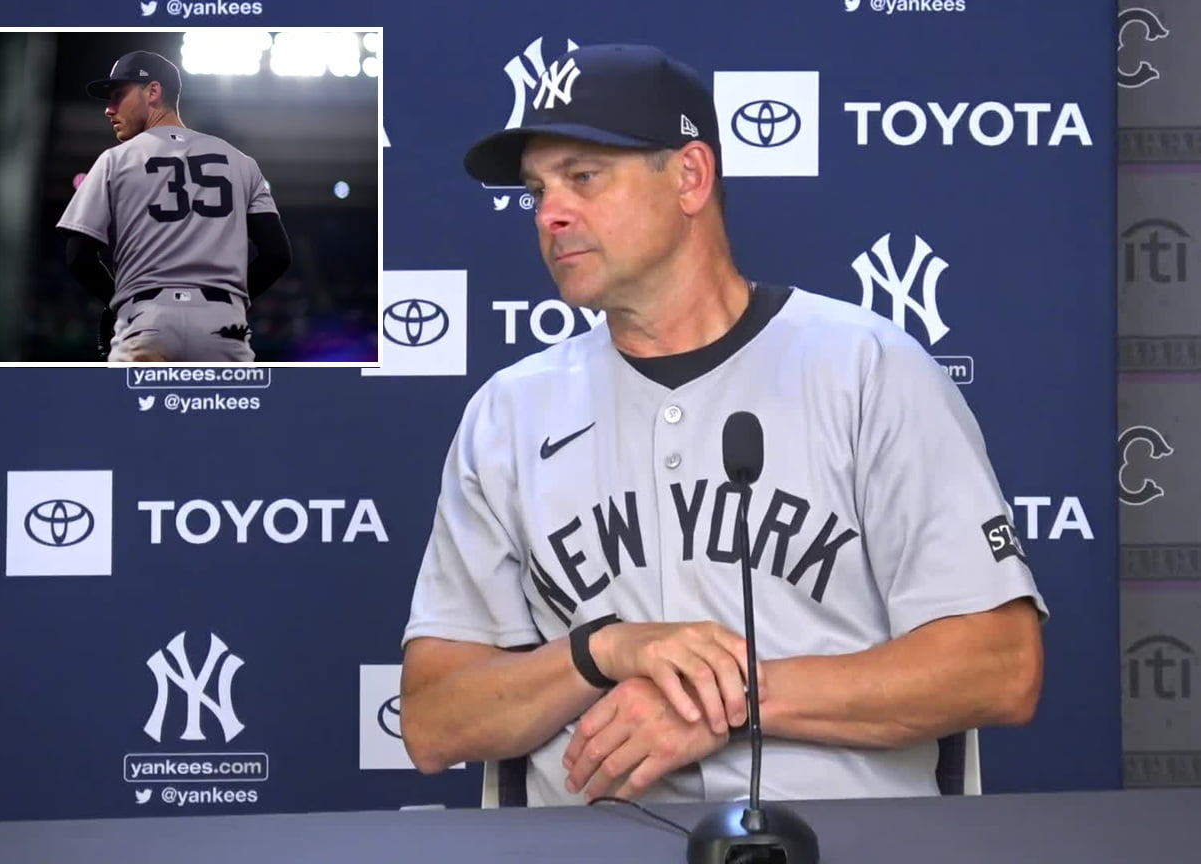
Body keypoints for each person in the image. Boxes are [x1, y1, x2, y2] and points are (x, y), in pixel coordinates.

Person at [400, 43, 1047, 807]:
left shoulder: (868, 370)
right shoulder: (508, 413)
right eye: (538, 189)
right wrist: (600, 651)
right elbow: (433, 721)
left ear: (691, 177)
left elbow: (1002, 668)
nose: (550, 213)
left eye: (583, 176)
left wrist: (730, 700)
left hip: (843, 842)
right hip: (591, 849)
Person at [56, 50, 292, 362]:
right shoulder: (241, 161)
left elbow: (78, 257)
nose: (109, 109)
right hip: (223, 324)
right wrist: (230, 299)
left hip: (144, 319)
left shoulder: (116, 159)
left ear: (153, 91)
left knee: (133, 411)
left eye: (118, 96)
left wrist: (115, 301)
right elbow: (277, 254)